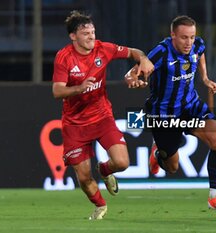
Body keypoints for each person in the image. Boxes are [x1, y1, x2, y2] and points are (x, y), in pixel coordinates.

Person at [52, 10, 154, 220]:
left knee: (123, 163)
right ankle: (99, 205)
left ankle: (105, 170)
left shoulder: (103, 49)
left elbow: (134, 52)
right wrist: (79, 88)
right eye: (86, 33)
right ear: (73, 36)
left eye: (93, 32)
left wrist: (142, 59)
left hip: (102, 117)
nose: (91, 37)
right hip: (75, 125)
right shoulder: (64, 57)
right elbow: (57, 91)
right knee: (83, 176)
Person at [125, 15, 216, 214]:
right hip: (164, 115)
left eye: (191, 36)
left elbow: (201, 53)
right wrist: (132, 79)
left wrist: (204, 77)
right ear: (173, 35)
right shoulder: (161, 52)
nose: (189, 42)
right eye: (184, 38)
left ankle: (214, 196)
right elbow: (132, 72)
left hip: (190, 106)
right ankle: (157, 153)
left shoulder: (197, 44)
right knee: (172, 167)